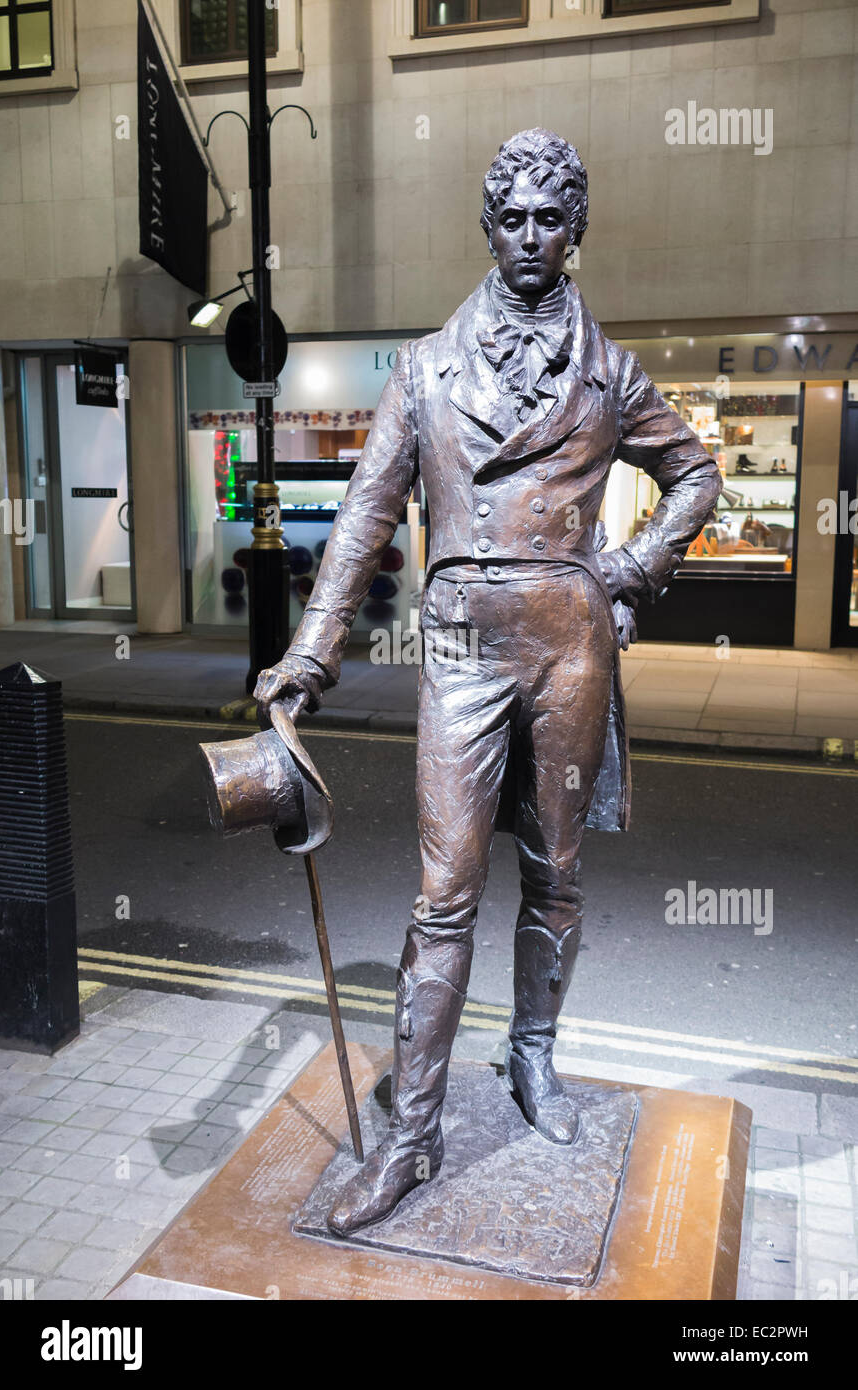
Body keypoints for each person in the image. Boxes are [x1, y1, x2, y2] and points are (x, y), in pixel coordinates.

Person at [255, 128, 722, 1235]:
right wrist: (312, 654)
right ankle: (413, 1137)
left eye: (548, 219)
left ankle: (534, 1062)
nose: (528, 237)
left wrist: (630, 566)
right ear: (487, 224)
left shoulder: (607, 367)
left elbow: (696, 471)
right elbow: (366, 514)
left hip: (569, 644)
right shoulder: (426, 366)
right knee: (445, 887)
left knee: (553, 871)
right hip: (462, 648)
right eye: (509, 217)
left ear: (576, 229)